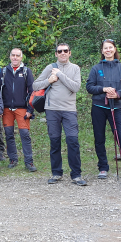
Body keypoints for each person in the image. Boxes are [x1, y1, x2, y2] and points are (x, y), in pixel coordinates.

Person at [33, 43, 87, 186]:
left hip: (69, 110)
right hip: (52, 110)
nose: (63, 53)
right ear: (56, 54)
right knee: (55, 142)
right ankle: (56, 173)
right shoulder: (49, 68)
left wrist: (60, 74)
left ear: (70, 53)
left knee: (73, 141)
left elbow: (75, 87)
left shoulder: (75, 68)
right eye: (59, 51)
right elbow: (35, 85)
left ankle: (76, 175)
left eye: (65, 51)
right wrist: (49, 80)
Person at [86, 39, 121, 181]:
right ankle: (103, 167)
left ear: (114, 49)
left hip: (116, 107)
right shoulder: (96, 69)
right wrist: (103, 89)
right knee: (99, 138)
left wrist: (117, 94)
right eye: (105, 48)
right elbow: (89, 87)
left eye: (110, 47)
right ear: (102, 51)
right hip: (98, 107)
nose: (108, 50)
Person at [0, 48, 37, 172]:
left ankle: (29, 162)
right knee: (9, 134)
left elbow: (32, 92)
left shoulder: (26, 71)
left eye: (17, 55)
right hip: (6, 109)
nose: (15, 57)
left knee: (25, 135)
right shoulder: (4, 71)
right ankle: (13, 159)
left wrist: (30, 109)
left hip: (22, 108)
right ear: (10, 56)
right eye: (13, 55)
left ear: (21, 58)